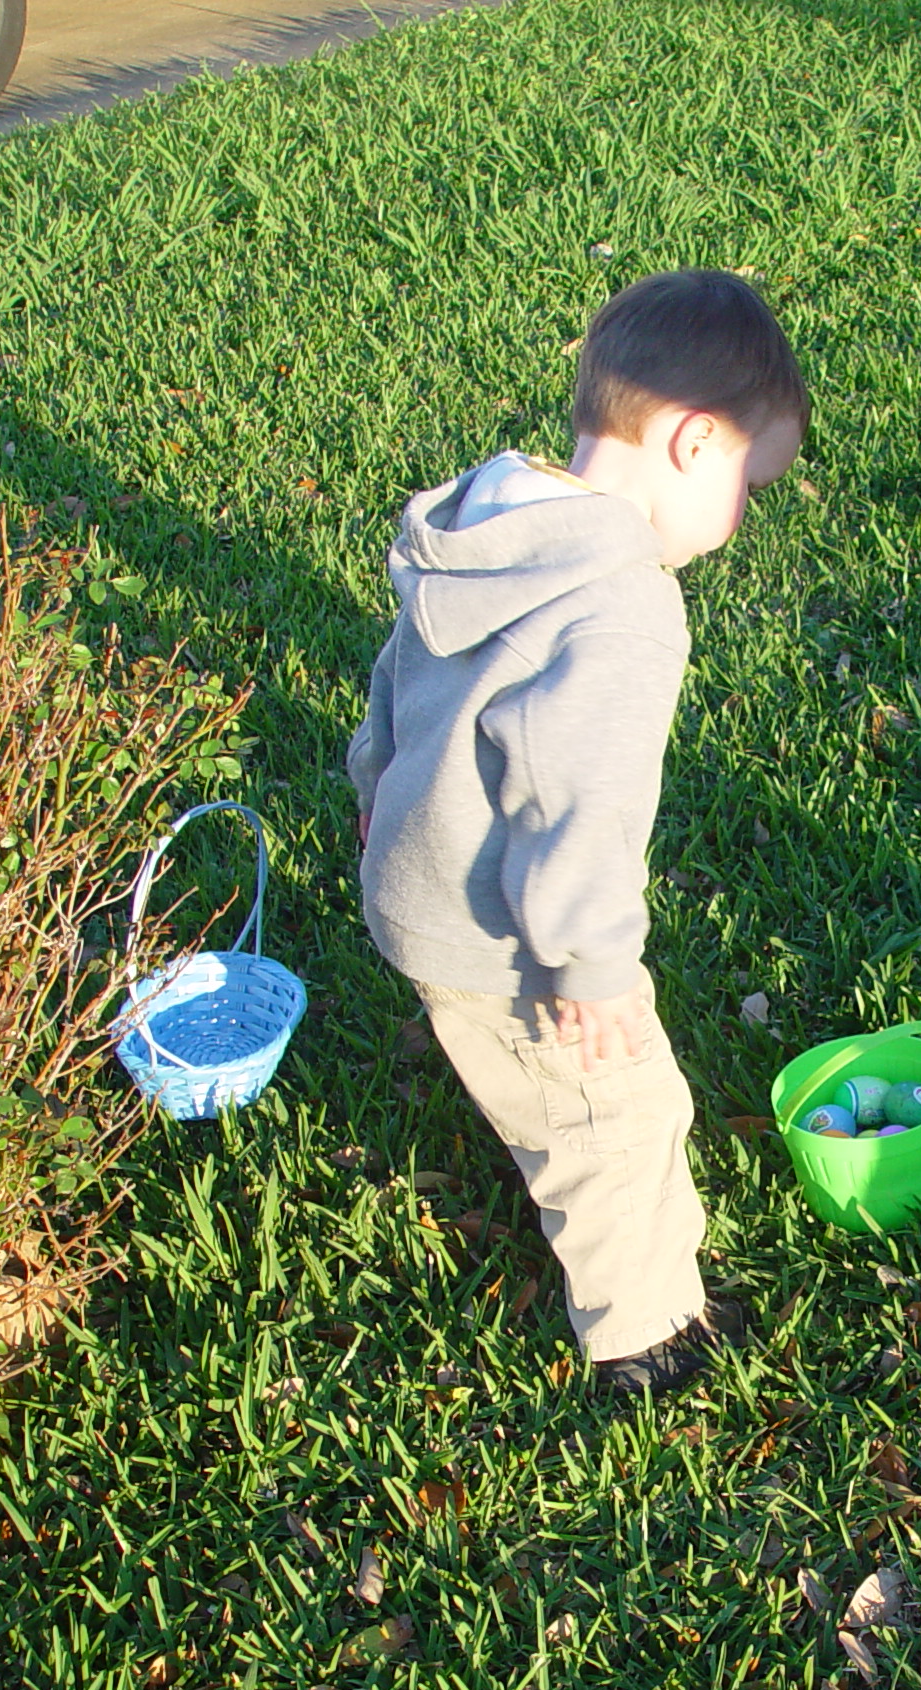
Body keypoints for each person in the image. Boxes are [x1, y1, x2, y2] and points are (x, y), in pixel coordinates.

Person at [347, 269, 805, 1395]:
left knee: (554, 1095)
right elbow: (577, 804)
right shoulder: (622, 605)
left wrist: (372, 780)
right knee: (617, 1115)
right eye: (754, 481)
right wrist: (586, 967)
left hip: (415, 874)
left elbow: (396, 674)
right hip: (505, 927)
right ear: (697, 444)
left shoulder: (487, 522)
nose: (744, 517)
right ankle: (643, 1336)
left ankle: (613, 1252)